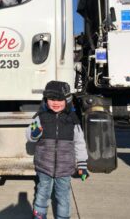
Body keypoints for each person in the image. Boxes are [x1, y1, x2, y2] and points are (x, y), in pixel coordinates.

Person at [26, 80, 88, 219]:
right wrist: (34, 133)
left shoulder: (72, 120)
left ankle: (63, 216)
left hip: (65, 168)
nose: (55, 102)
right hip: (44, 166)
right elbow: (30, 135)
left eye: (59, 99)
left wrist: (82, 164)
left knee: (63, 195)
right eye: (51, 99)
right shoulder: (41, 117)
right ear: (45, 100)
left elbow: (79, 143)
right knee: (42, 192)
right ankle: (39, 215)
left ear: (67, 100)